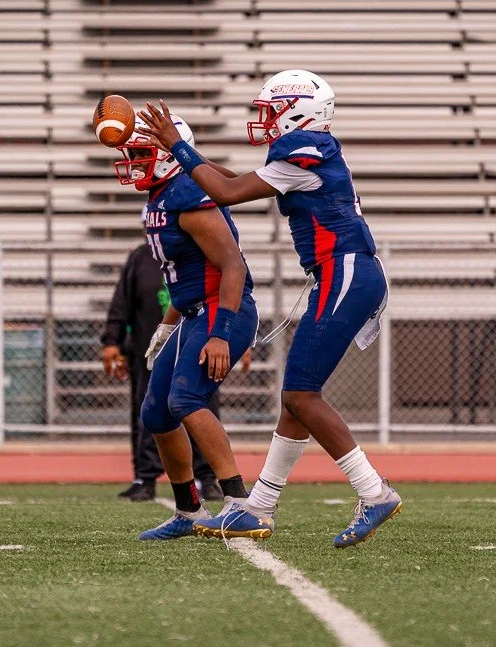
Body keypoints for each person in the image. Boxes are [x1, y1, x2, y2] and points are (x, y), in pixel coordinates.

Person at [137, 69, 402, 548]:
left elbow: (227, 192)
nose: (264, 120)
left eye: (271, 110)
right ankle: (259, 505)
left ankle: (374, 491)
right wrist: (184, 151)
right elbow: (233, 179)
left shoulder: (305, 151)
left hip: (345, 270)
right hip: (341, 273)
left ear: (297, 111)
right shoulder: (310, 152)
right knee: (296, 400)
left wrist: (178, 148)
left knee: (302, 396)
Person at [113, 112, 258, 540]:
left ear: (166, 154)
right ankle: (189, 510)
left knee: (185, 398)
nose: (134, 162)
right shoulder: (160, 197)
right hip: (192, 312)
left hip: (222, 310)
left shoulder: (188, 193)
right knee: (155, 413)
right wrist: (165, 327)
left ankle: (239, 503)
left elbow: (233, 266)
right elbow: (185, 279)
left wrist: (221, 332)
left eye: (142, 153)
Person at [101, 238, 227, 502]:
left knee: (202, 409)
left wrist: (229, 334)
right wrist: (113, 341)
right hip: (150, 349)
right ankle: (145, 478)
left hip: (197, 347)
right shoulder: (140, 257)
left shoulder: (203, 250)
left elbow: (227, 293)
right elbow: (122, 302)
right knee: (148, 410)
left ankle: (207, 478)